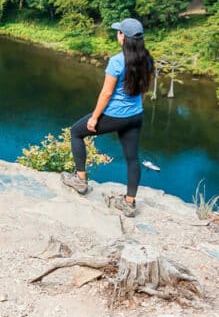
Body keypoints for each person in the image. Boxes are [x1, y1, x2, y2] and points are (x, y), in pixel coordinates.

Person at [61, 18, 153, 217]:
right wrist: (136, 107)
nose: (117, 33)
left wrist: (94, 117)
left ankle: (80, 180)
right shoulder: (147, 59)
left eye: (119, 31)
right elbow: (145, 89)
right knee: (132, 159)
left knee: (76, 132)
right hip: (136, 115)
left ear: (123, 37)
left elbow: (106, 94)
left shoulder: (117, 61)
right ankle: (129, 203)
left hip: (115, 115)